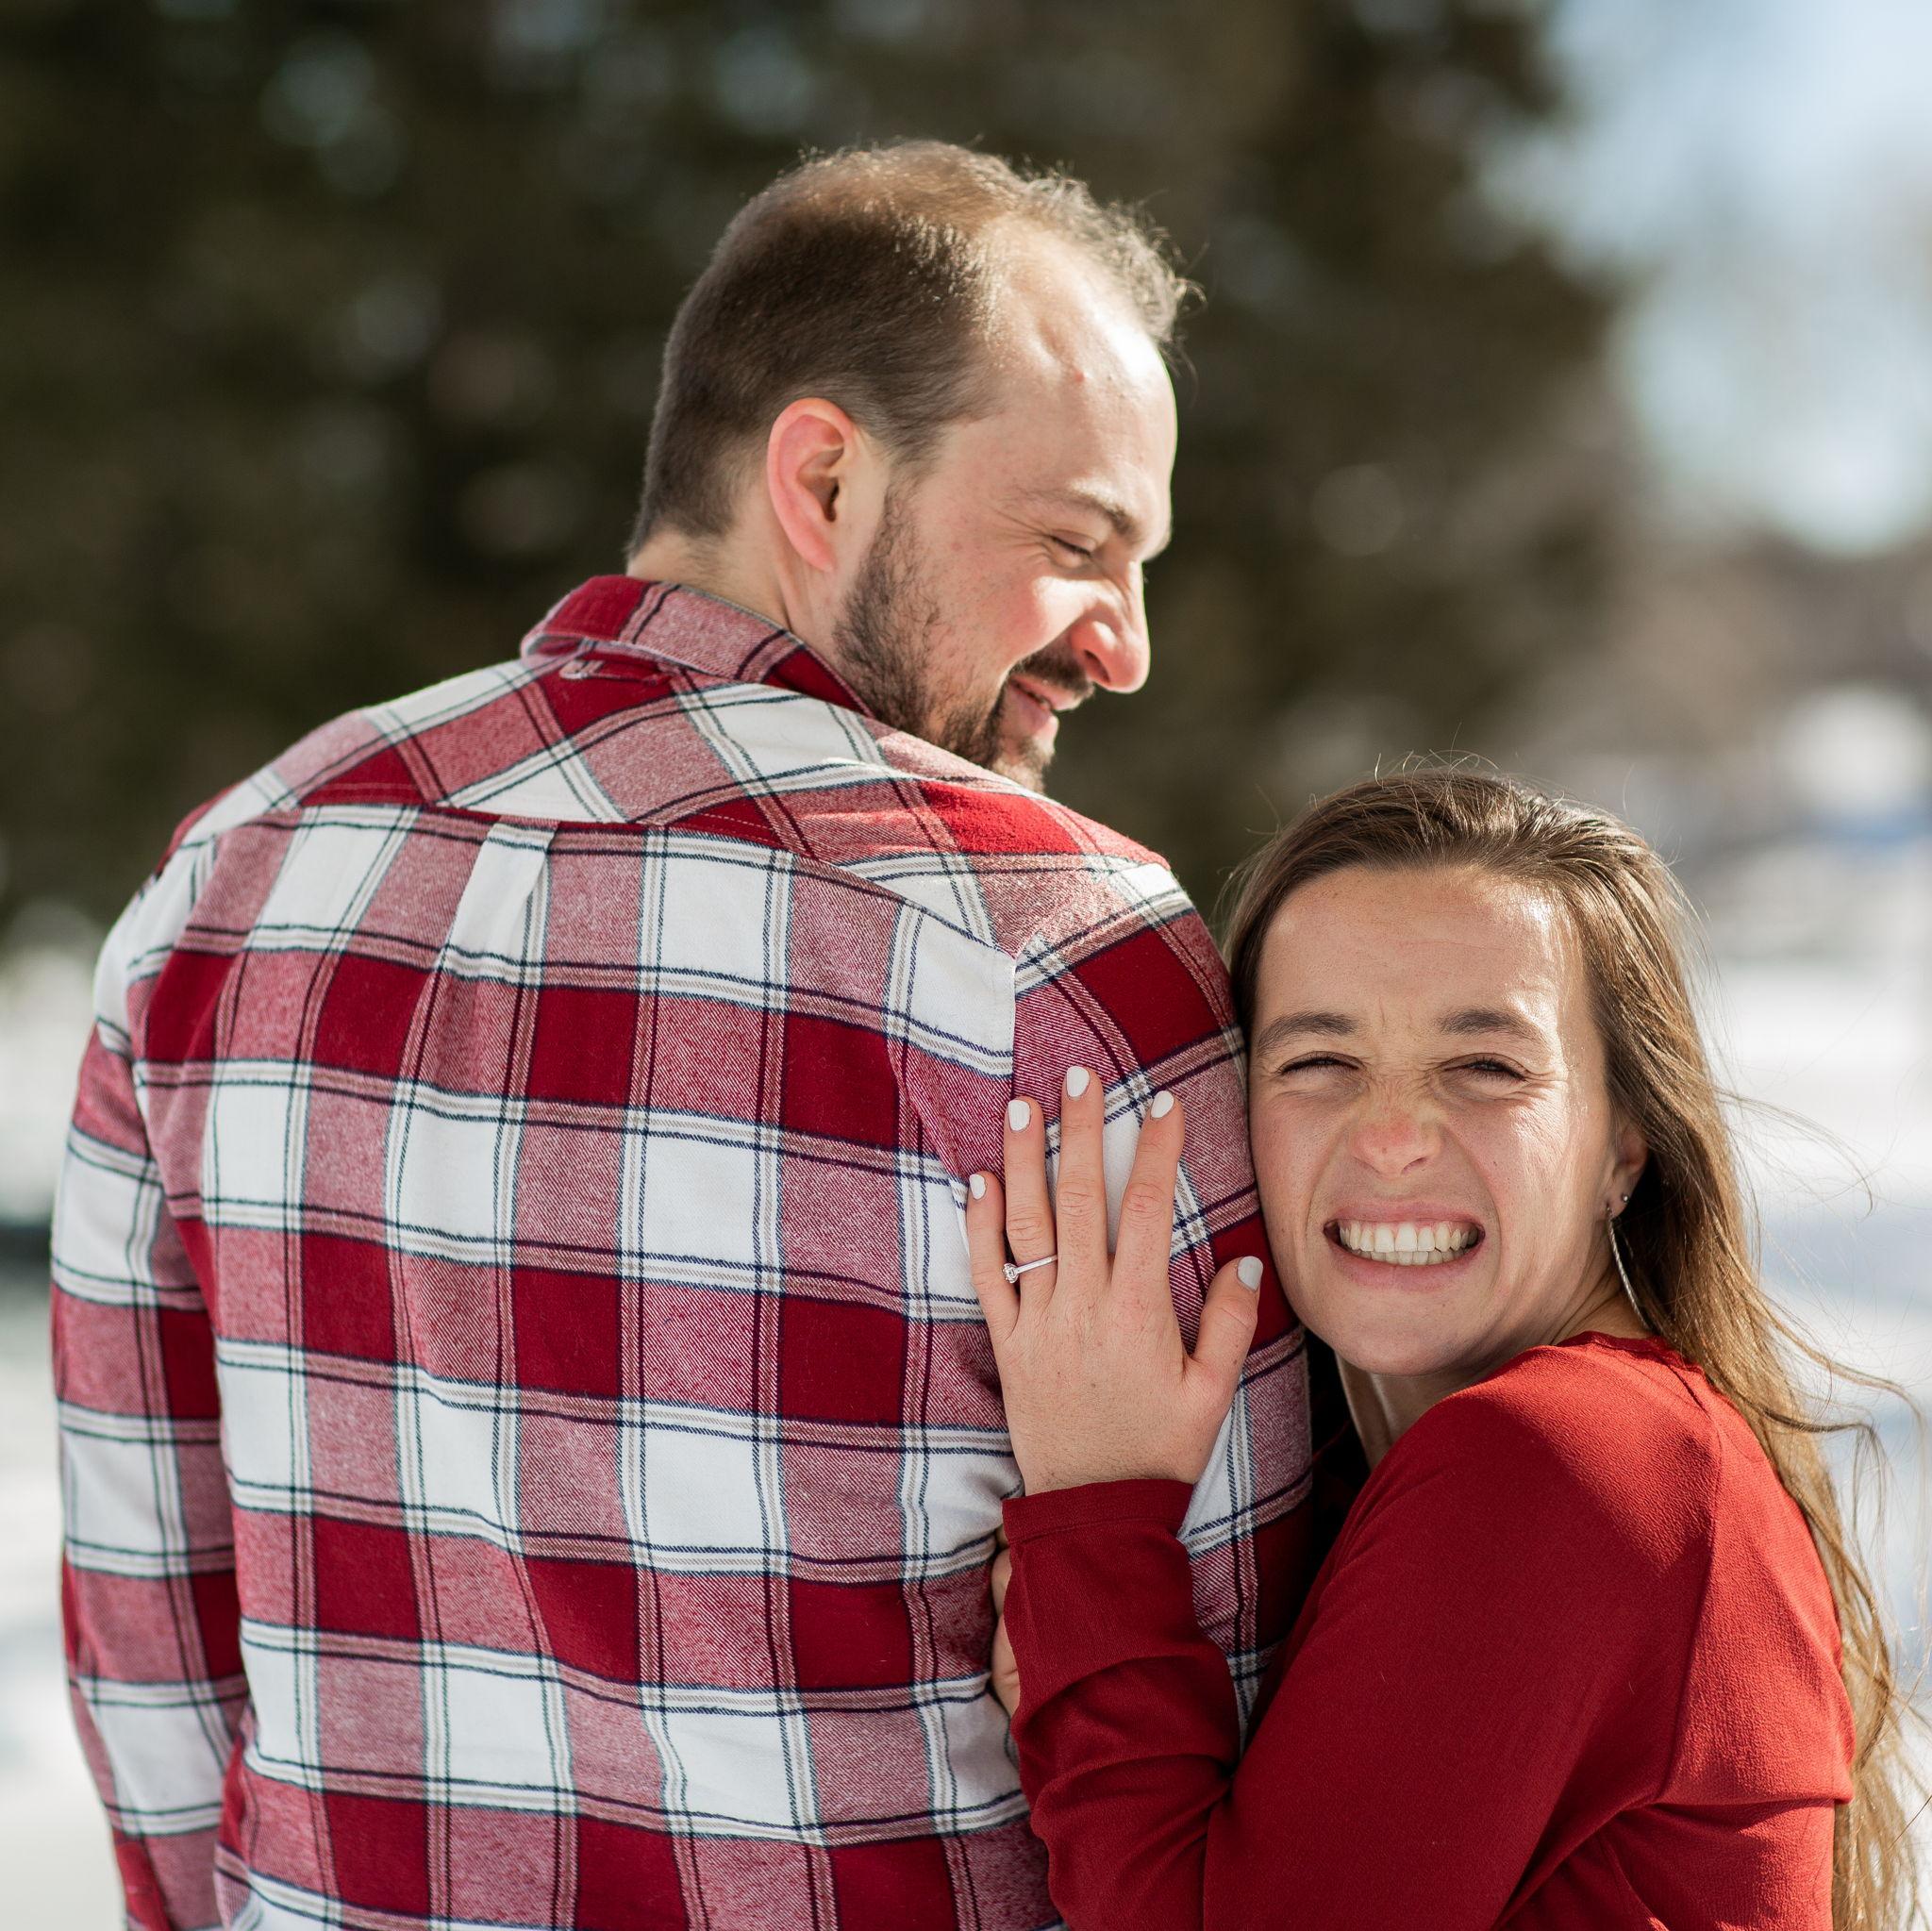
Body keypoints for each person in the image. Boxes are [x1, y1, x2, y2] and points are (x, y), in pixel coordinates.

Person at [51, 143, 1309, 1931]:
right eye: (1075, 544)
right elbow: (1223, 1706)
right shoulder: (1063, 965)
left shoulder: (225, 891)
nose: (1125, 647)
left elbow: (152, 1633)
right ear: (821, 474)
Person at [965, 768, 1921, 1930]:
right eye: (1317, 1061)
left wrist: (1096, 1540)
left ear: (1624, 1143)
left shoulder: (1564, 1456)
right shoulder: (1625, 1445)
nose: (1395, 1135)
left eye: (1485, 1066)